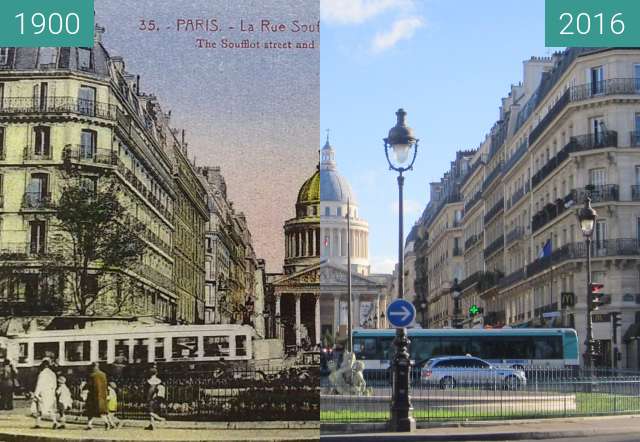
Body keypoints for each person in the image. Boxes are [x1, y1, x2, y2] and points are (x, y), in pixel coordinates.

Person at [32, 359, 57, 429]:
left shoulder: (42, 373)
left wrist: (36, 394)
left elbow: (39, 384)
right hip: (50, 393)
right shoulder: (53, 373)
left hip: (43, 393)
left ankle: (37, 423)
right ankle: (54, 421)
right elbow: (55, 385)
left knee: (39, 409)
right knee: (50, 409)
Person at [84, 362, 109, 430]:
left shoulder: (92, 375)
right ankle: (106, 422)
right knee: (101, 411)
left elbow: (89, 386)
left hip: (93, 395)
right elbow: (106, 385)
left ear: (94, 367)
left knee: (90, 411)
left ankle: (90, 424)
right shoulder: (103, 374)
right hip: (102, 396)